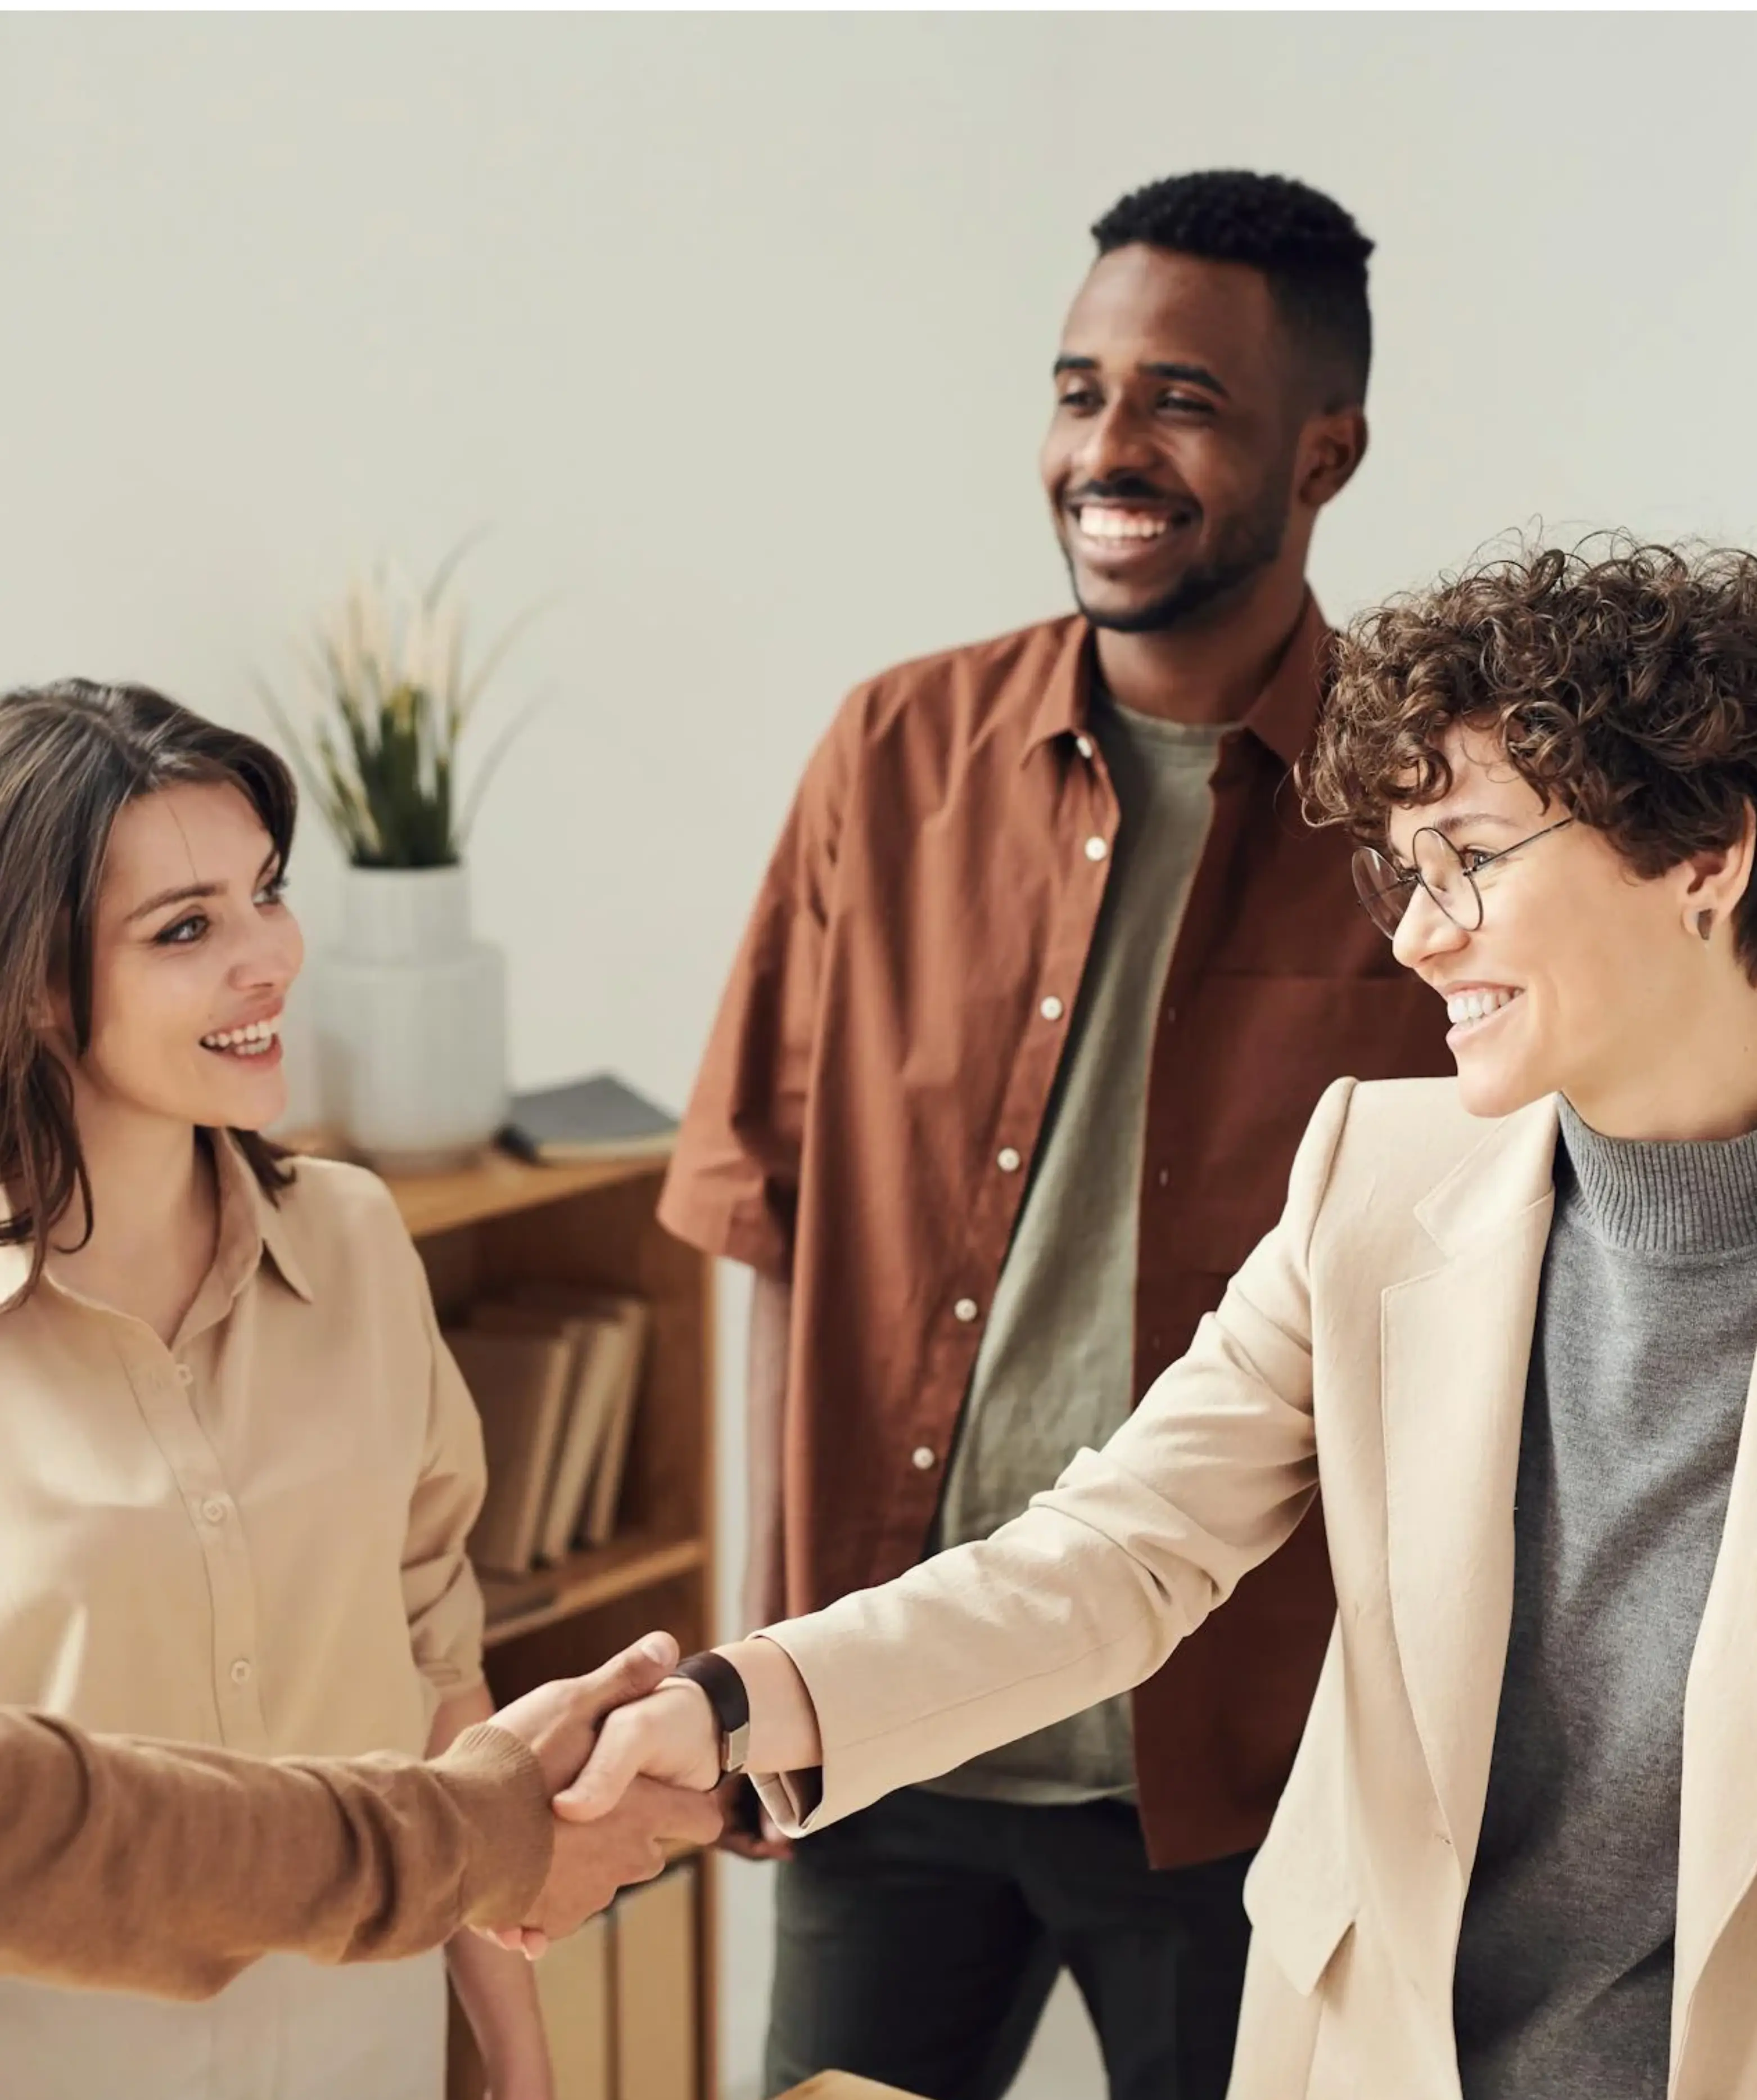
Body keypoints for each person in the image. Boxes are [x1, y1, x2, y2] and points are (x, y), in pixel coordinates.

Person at [568, 540, 1757, 2100]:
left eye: (1468, 852)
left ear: (1701, 857)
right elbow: (1115, 1549)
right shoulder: (1374, 1176)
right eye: (1402, 870)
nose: (1414, 934)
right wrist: (727, 1703)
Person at [657, 168, 1449, 2100]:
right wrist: (765, 1663)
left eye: (1179, 399)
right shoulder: (887, 756)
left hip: (1241, 1767)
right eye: (1079, 387)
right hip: (886, 1735)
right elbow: (763, 1224)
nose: (1108, 447)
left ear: (1319, 452)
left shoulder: (1423, 808)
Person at [0, 679, 538, 2098]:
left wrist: (524, 2065)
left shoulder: (358, 1241)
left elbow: (444, 1685)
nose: (269, 958)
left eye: (266, 893)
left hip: (372, 2051)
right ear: (39, 983)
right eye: (187, 928)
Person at [0, 1634, 720, 1999]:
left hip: (369, 2019)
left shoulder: (385, 1346)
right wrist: (483, 1827)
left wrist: (518, 2051)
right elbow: (59, 1829)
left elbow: (443, 1654)